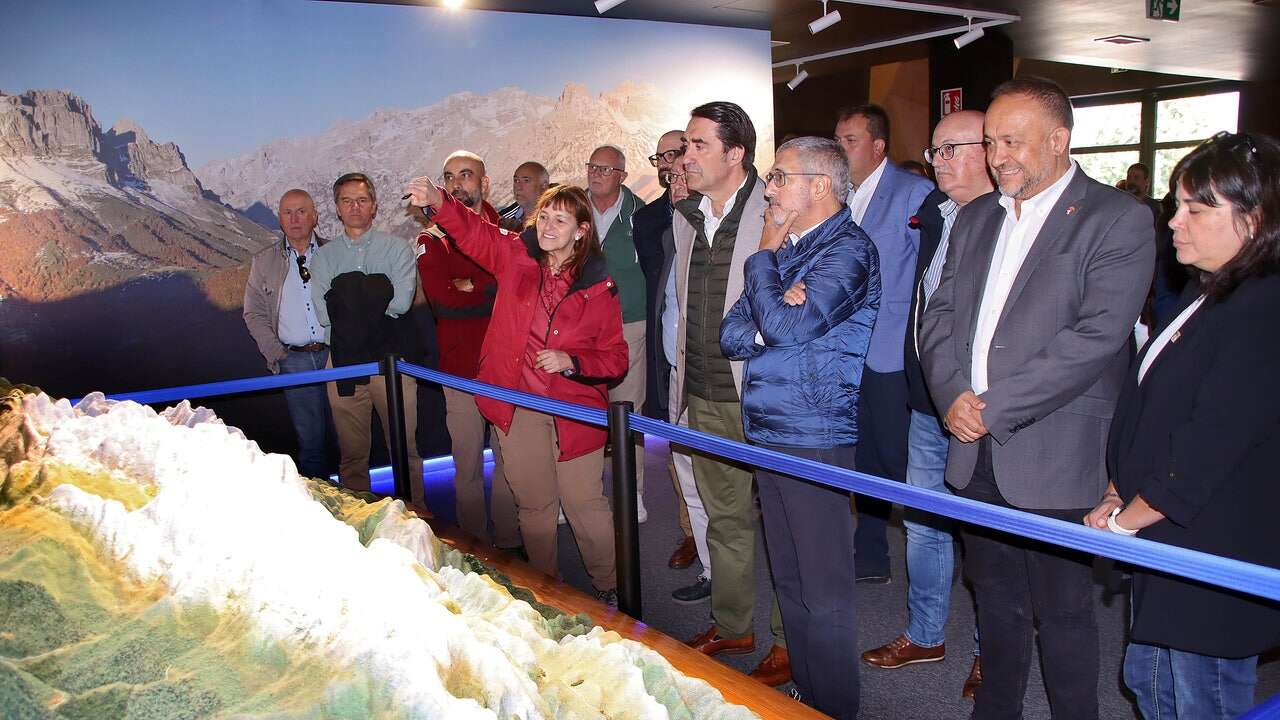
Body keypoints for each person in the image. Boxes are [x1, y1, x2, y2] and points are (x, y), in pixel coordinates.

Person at [919, 76, 1154, 719]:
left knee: (1064, 615)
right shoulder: (974, 218)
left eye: (1013, 141)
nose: (998, 156)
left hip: (1059, 452)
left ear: (1060, 139)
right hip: (974, 449)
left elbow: (1097, 338)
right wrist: (953, 396)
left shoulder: (1117, 218)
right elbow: (937, 317)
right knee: (994, 603)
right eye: (992, 142)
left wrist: (991, 405)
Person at [1085, 131, 1280, 719]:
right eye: (1175, 204)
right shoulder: (1214, 291)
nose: (1174, 222)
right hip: (1167, 533)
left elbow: (1211, 442)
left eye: (1198, 209)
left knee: (1201, 700)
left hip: (1211, 546)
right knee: (1150, 681)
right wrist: (1122, 492)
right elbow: (1158, 410)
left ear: (1256, 219)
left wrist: (1127, 520)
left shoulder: (1263, 307)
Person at [403, 176, 629, 604]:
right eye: (543, 215)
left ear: (582, 230)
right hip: (519, 406)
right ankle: (546, 594)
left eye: (559, 219)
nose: (546, 226)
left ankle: (612, 588)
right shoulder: (515, 257)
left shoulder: (600, 286)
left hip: (575, 411)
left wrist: (573, 361)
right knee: (535, 506)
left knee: (585, 504)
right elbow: (476, 233)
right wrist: (439, 201)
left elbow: (616, 358)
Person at [720, 136, 879, 719]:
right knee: (789, 580)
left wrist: (763, 257)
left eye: (781, 177)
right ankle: (808, 697)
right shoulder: (795, 249)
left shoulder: (849, 251)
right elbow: (733, 334)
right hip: (768, 429)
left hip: (817, 435)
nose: (770, 188)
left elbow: (788, 329)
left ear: (820, 185)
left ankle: (834, 707)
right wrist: (774, 307)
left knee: (824, 590)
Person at [861, 110, 990, 698]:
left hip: (982, 405)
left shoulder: (1010, 218)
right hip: (925, 398)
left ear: (991, 151)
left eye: (952, 150)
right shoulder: (936, 212)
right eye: (934, 150)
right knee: (923, 521)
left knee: (986, 536)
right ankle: (925, 632)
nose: (938, 162)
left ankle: (994, 651)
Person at [673, 101, 788, 686]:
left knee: (788, 523)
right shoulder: (684, 215)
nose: (684, 158)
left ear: (735, 153)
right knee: (724, 519)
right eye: (685, 146)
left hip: (767, 396)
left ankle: (789, 641)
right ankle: (733, 622)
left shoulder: (779, 208)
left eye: (697, 146)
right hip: (705, 391)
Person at [834, 103, 934, 583]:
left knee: (901, 458)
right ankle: (871, 552)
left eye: (850, 140)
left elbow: (929, 275)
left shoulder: (914, 192)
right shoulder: (838, 196)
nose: (841, 149)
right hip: (845, 353)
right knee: (864, 457)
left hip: (891, 351)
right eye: (838, 141)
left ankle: (934, 551)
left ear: (878, 146)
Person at [416, 150, 520, 551]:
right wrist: (493, 288)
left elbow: (520, 292)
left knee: (511, 463)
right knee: (468, 466)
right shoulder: (432, 239)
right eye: (449, 177)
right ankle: (477, 549)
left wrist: (472, 286)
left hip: (506, 367)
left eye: (466, 175)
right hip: (460, 370)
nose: (458, 183)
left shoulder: (508, 230)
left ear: (485, 182)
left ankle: (511, 545)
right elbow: (443, 301)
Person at [311, 173, 427, 505]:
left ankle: (420, 519)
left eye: (362, 200)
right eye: (347, 201)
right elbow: (323, 315)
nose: (355, 207)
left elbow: (401, 303)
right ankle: (359, 526)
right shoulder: (325, 257)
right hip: (343, 365)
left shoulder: (396, 248)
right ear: (337, 208)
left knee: (405, 450)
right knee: (352, 458)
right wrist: (377, 290)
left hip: (390, 361)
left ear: (374, 205)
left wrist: (345, 297)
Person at [634, 129, 711, 581]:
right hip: (670, 356)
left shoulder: (717, 214)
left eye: (677, 153)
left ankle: (719, 559)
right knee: (680, 454)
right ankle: (691, 534)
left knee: (718, 468)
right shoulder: (649, 221)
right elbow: (658, 290)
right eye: (661, 156)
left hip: (713, 364)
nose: (669, 164)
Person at [243, 189, 333, 480]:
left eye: (301, 211)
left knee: (351, 435)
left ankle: (357, 503)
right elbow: (253, 313)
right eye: (287, 212)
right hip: (294, 360)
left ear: (315, 216)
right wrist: (277, 353)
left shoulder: (336, 254)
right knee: (311, 443)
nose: (295, 219)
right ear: (279, 219)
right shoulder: (264, 262)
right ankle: (321, 506)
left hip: (338, 357)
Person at [586, 144, 650, 522]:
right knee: (583, 412)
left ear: (622, 177)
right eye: (592, 166)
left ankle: (633, 493)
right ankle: (584, 494)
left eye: (605, 169)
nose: (596, 173)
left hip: (629, 325)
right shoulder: (574, 210)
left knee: (627, 412)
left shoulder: (639, 215)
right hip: (583, 329)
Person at [499, 161, 549, 231]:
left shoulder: (557, 218)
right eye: (516, 180)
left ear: (544, 186)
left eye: (526, 181)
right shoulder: (503, 220)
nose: (518, 187)